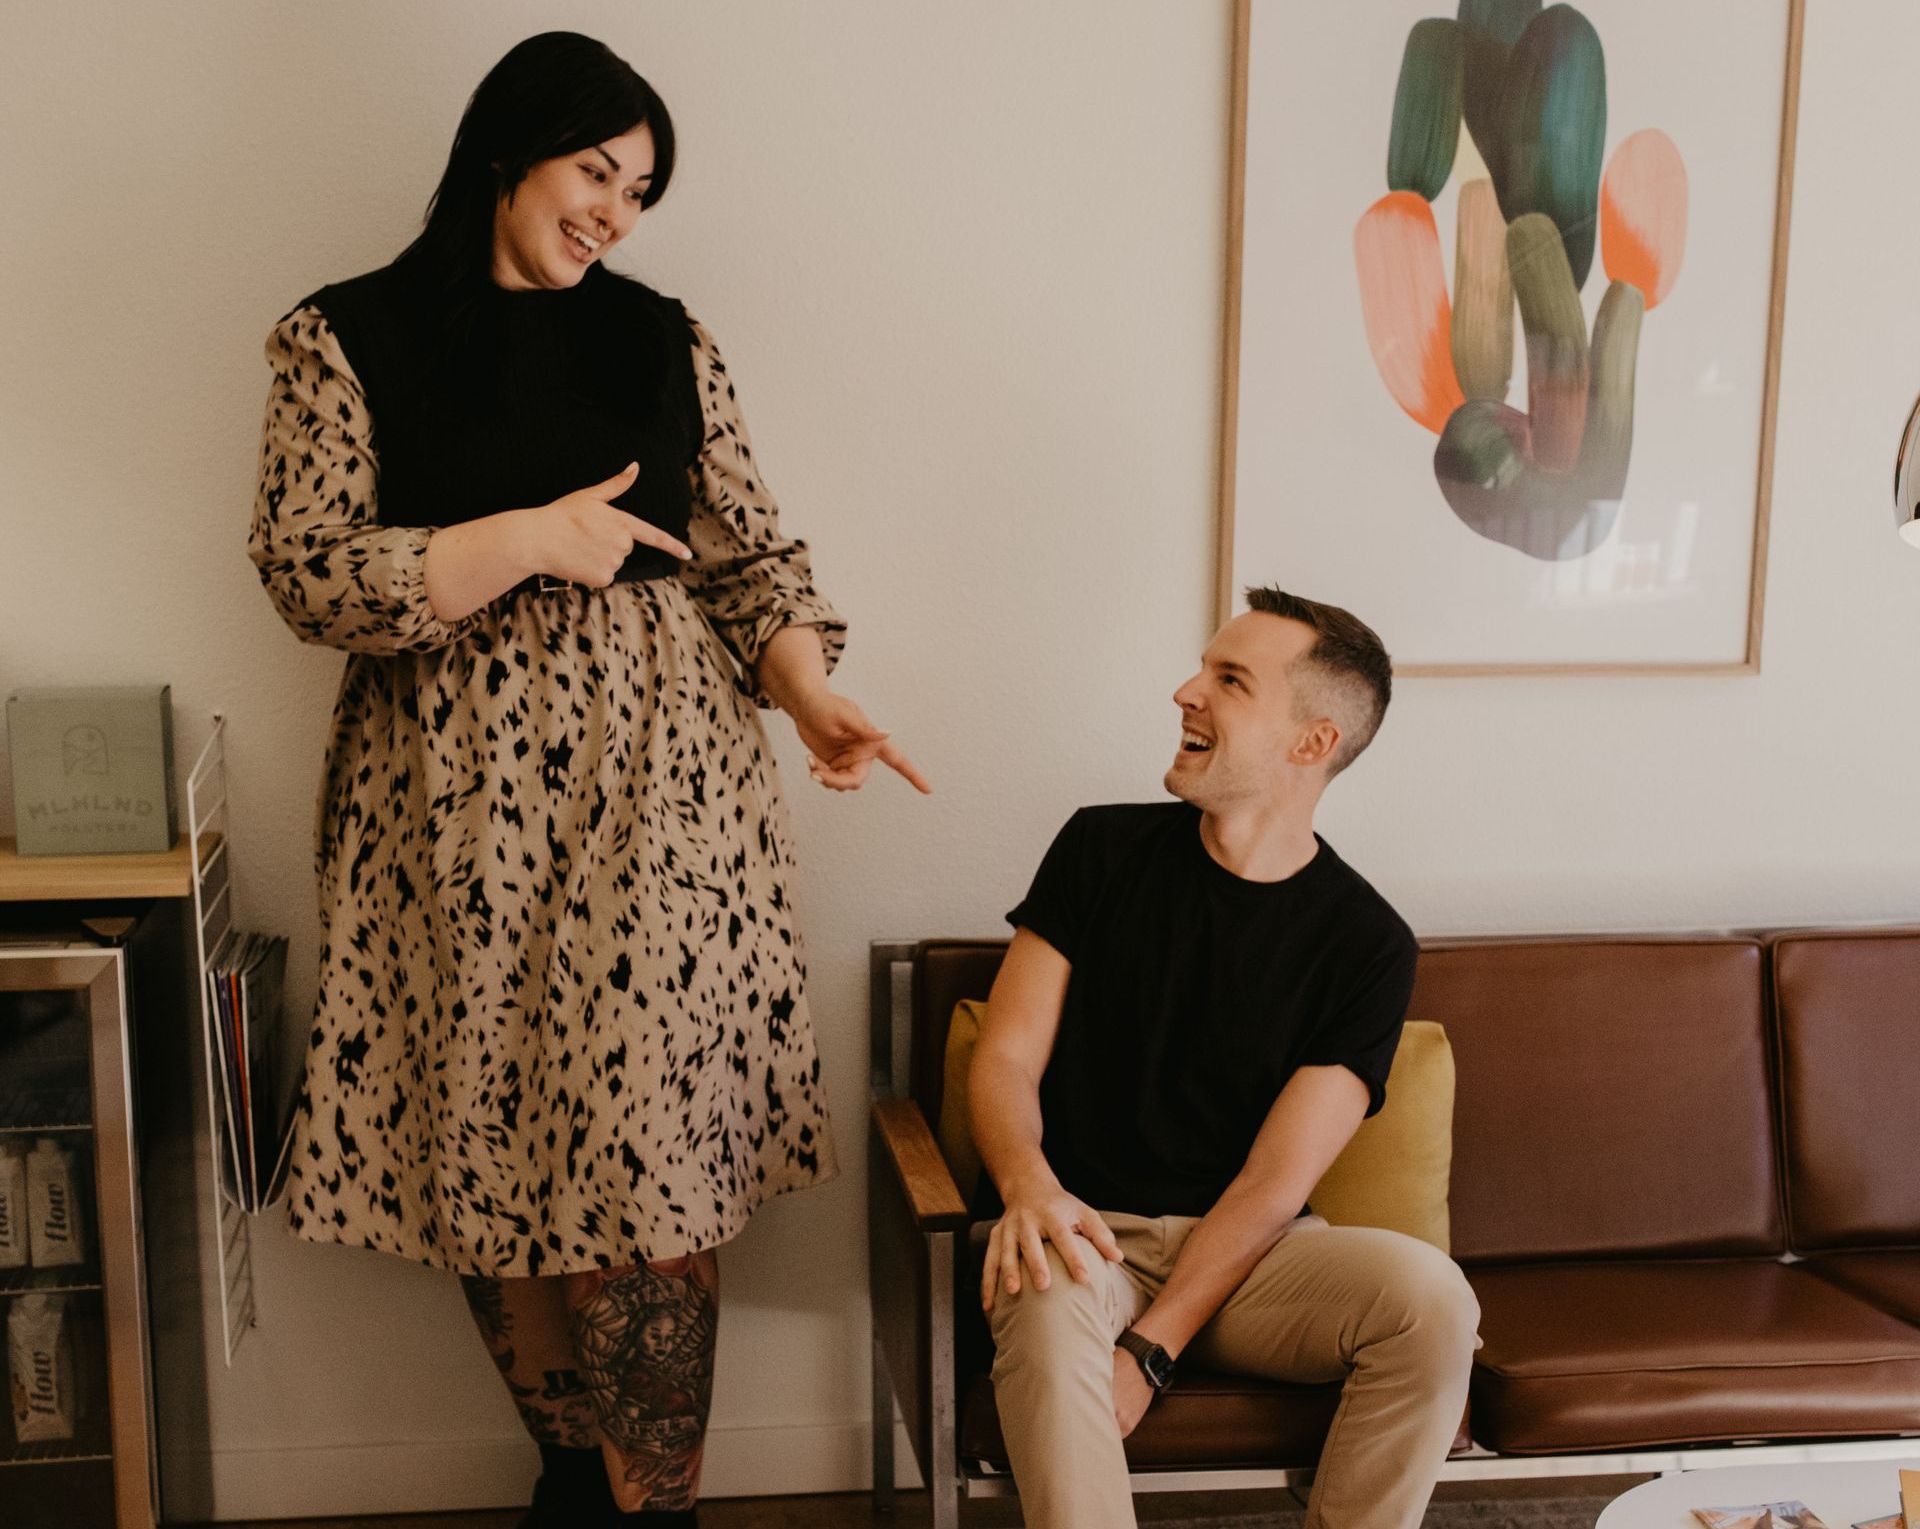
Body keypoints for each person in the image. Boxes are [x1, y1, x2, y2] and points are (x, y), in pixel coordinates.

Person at [246, 33, 929, 1528]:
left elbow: (748, 548)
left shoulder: (662, 333)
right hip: (446, 810)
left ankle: (655, 1501)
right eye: (595, 172)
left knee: (650, 1160)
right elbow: (303, 570)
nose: (615, 211)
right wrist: (510, 542)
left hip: (663, 801)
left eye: (639, 190)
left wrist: (809, 690)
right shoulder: (343, 333)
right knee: (491, 1135)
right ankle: (577, 1478)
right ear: (511, 152)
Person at [969, 587, 1479, 1529]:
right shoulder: (1098, 849)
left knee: (1435, 1304)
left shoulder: (1368, 942)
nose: (1184, 692)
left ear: (1310, 742)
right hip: (1085, 1240)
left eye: (1229, 680)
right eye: (1203, 668)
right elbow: (1004, 1058)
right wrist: (1030, 1186)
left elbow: (1277, 1181)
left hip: (1256, 1260)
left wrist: (1152, 1351)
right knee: (1040, 1292)